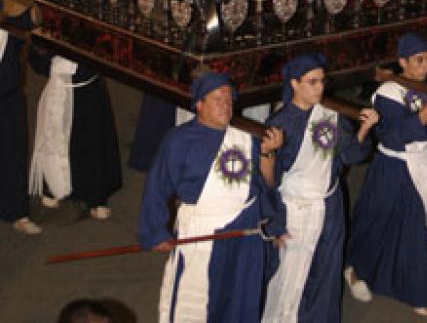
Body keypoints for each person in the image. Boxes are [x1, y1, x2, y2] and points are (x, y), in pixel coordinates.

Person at [138, 72, 282, 323]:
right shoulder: (179, 140)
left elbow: (264, 185)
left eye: (229, 100)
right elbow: (157, 187)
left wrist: (268, 155)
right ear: (199, 104)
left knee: (238, 297)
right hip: (201, 231)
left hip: (243, 231)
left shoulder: (245, 137)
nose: (226, 106)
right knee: (195, 299)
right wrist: (155, 232)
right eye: (218, 99)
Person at [344, 34, 427, 319]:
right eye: (418, 61)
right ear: (402, 62)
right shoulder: (387, 93)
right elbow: (394, 136)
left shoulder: (425, 86)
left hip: (421, 163)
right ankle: (355, 271)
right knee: (376, 222)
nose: (425, 66)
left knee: (417, 227)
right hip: (394, 166)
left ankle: (420, 293)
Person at [261, 53, 379, 323]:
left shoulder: (330, 115)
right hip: (294, 208)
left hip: (329, 205)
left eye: (322, 81)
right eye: (311, 82)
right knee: (290, 275)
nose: (319, 88)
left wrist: (364, 130)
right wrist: (268, 153)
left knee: (326, 270)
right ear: (294, 84)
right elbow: (268, 181)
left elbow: (352, 155)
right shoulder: (279, 124)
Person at [28, 44, 122, 220]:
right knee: (55, 139)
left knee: (92, 143)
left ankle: (96, 197)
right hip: (59, 89)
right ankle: (53, 185)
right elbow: (38, 60)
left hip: (88, 91)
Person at [0, 4, 41, 235]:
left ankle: (17, 212)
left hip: (9, 97)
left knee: (13, 153)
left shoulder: (9, 17)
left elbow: (32, 18)